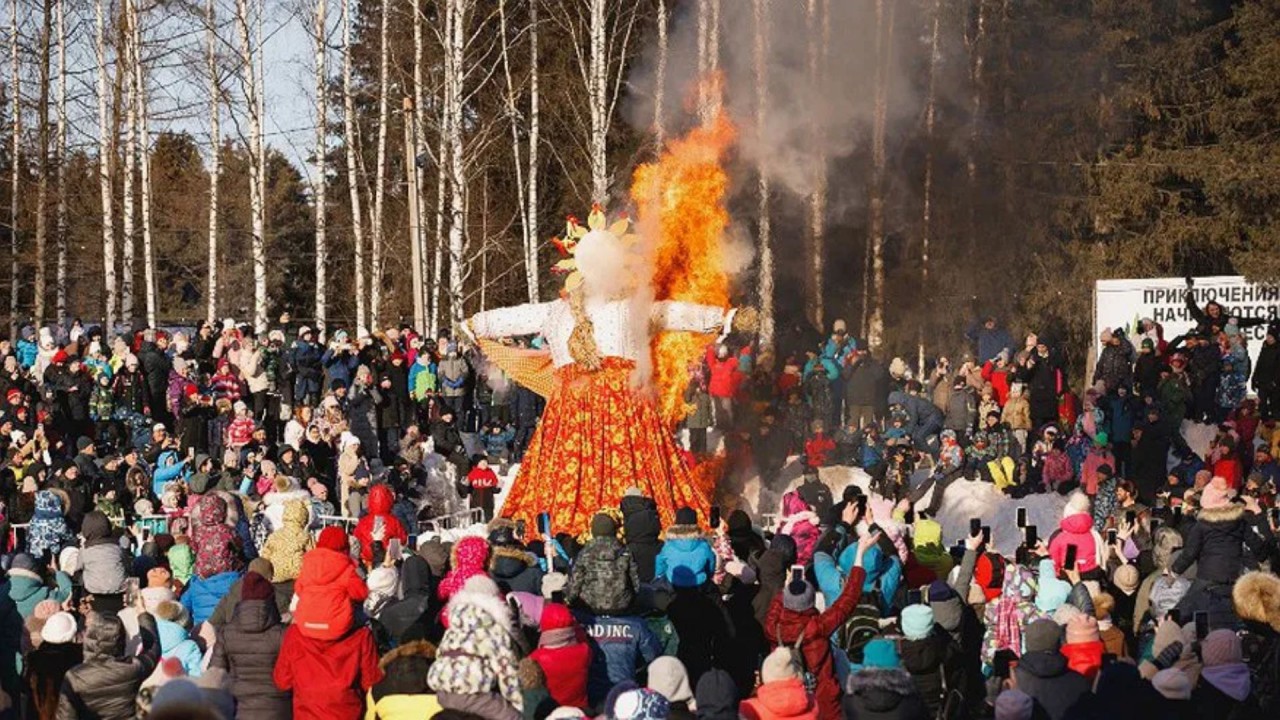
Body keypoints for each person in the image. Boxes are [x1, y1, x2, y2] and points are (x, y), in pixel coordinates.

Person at [468, 206, 749, 535]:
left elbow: (672, 312)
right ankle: (632, 527)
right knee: (631, 473)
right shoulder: (583, 309)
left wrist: (476, 323)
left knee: (584, 474)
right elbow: (673, 313)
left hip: (587, 409)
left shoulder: (593, 309)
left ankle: (584, 530)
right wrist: (725, 318)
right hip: (615, 407)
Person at [58, 608, 162, 719]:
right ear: (121, 639)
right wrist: (143, 615)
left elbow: (66, 716)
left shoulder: (74, 676)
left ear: (88, 638)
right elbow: (153, 650)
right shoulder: (132, 668)